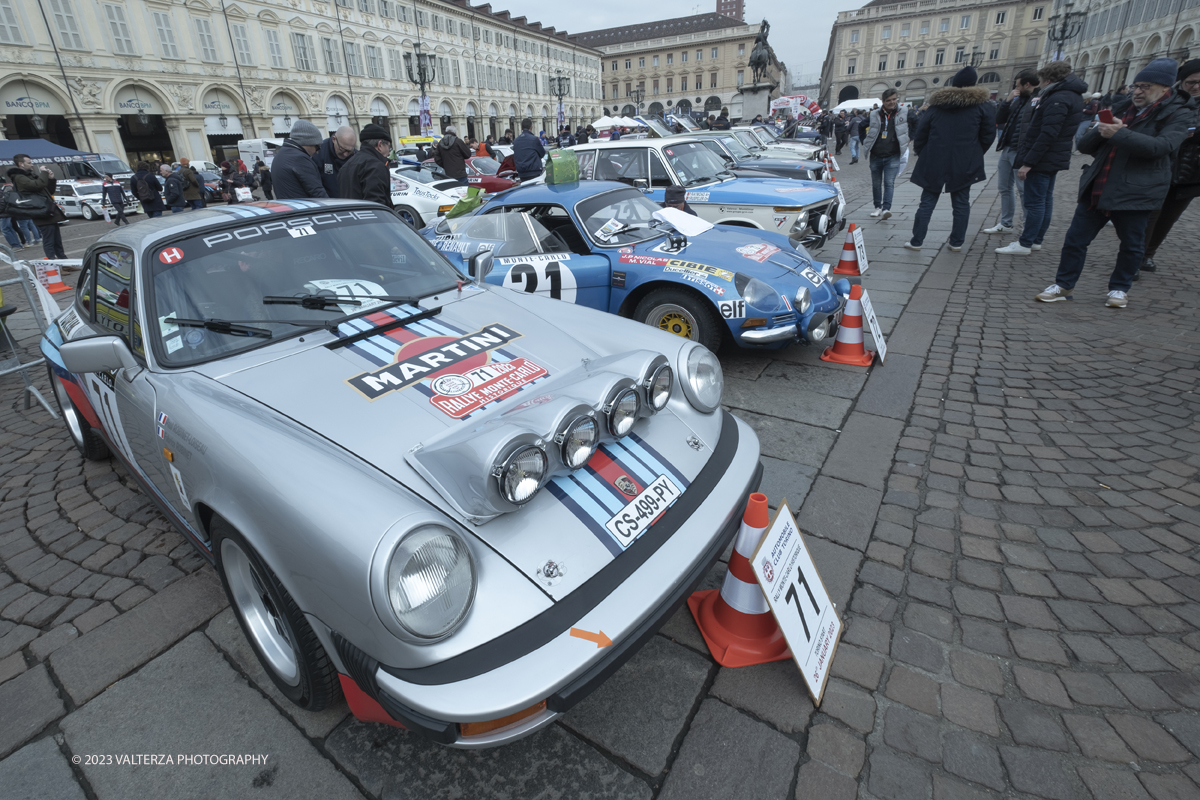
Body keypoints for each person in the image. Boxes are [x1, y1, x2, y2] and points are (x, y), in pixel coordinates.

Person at [1035, 58, 1194, 308]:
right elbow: (1085, 146)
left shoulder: (1179, 113)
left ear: (1164, 89)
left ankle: (1119, 289)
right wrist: (1100, 129)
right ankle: (1064, 285)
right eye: (1136, 85)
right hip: (1099, 184)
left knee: (1131, 244)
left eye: (1145, 86)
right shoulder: (1122, 108)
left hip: (1138, 190)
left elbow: (1161, 147)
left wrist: (1120, 133)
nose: (1138, 91)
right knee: (1075, 239)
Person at [995, 62, 1086, 255]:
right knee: (1044, 199)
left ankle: (1026, 243)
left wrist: (1028, 162)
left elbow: (1047, 133)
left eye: (1042, 81)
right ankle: (1035, 240)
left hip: (1043, 158)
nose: (1040, 85)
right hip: (1051, 157)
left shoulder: (1057, 98)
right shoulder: (1069, 95)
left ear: (1049, 80)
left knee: (1035, 201)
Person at [904, 66, 996, 252]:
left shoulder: (937, 106)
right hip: (964, 160)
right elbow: (988, 136)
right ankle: (956, 242)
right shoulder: (981, 106)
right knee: (961, 202)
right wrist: (974, 153)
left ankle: (917, 241)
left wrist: (925, 153)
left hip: (935, 157)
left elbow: (921, 133)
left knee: (927, 201)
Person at [1137, 60, 1200, 277]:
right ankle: (1134, 257)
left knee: (1168, 217)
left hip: (1191, 171)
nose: (1196, 86)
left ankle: (1148, 254)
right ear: (1181, 82)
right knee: (1148, 214)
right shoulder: (1169, 101)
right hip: (1161, 165)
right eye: (1191, 82)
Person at [985, 69, 1040, 235]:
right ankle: (1006, 223)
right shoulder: (1017, 100)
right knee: (1004, 187)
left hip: (1021, 150)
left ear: (1027, 84)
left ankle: (1027, 226)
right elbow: (999, 119)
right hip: (1007, 148)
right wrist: (1007, 101)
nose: (1015, 88)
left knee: (1023, 190)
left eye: (1017, 85)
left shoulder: (1037, 101)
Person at [7, 154, 68, 258]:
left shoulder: (29, 176)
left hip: (48, 211)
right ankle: (54, 265)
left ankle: (64, 262)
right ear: (21, 164)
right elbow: (37, 185)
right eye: (29, 163)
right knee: (49, 241)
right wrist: (43, 172)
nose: (32, 165)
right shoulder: (19, 177)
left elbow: (49, 191)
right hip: (40, 212)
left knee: (57, 240)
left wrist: (51, 179)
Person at [862, 89, 909, 219]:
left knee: (889, 182)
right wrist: (864, 142)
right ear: (883, 102)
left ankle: (886, 208)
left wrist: (909, 138)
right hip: (876, 155)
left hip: (893, 155)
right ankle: (877, 207)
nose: (891, 102)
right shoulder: (874, 114)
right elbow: (861, 125)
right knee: (876, 183)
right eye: (888, 100)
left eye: (894, 99)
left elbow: (917, 123)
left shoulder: (903, 112)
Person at [338, 123, 394, 208]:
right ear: (380, 145)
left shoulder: (346, 165)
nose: (389, 152)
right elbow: (376, 206)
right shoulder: (376, 166)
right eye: (388, 147)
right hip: (368, 219)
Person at [271, 119, 329, 200]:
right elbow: (317, 192)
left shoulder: (281, 154)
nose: (317, 152)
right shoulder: (300, 159)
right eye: (317, 147)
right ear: (308, 143)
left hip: (289, 207)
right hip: (304, 208)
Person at [312, 125, 357, 198]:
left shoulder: (356, 156)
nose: (345, 154)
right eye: (342, 149)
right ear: (334, 139)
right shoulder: (319, 153)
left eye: (349, 151)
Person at [514, 118, 547, 182]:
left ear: (521, 127)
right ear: (531, 127)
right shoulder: (534, 139)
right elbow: (542, 153)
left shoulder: (516, 140)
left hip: (521, 173)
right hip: (534, 171)